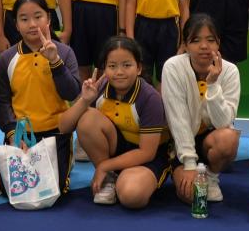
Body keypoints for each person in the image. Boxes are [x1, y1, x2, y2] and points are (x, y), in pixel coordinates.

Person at [59, 36, 169, 209]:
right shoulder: (100, 87)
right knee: (87, 119)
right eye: (112, 66)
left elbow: (147, 152)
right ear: (104, 69)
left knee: (131, 195)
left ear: (139, 68)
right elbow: (64, 127)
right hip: (117, 148)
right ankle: (109, 179)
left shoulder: (150, 98)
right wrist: (85, 100)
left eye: (127, 65)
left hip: (148, 157)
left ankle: (117, 175)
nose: (119, 72)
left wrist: (103, 166)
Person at [0, 0, 81, 194]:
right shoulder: (7, 58)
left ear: (49, 18)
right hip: (21, 134)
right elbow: (2, 102)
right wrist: (13, 134)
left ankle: (65, 157)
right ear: (16, 25)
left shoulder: (65, 52)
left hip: (56, 132)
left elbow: (71, 94)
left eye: (38, 16)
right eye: (24, 19)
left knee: (53, 190)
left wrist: (55, 62)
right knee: (13, 191)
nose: (32, 24)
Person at [162, 15, 241, 205]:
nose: (204, 46)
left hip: (209, 139)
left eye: (210, 40)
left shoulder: (230, 71)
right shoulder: (173, 67)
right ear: (185, 45)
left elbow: (224, 123)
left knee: (229, 138)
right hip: (179, 143)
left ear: (218, 43)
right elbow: (178, 119)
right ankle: (177, 170)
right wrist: (189, 164)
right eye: (196, 40)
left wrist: (212, 85)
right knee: (192, 196)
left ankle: (211, 176)